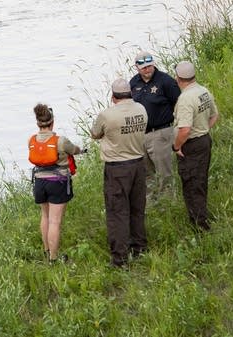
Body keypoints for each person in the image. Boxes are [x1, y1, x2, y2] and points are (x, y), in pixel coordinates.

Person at [90, 78, 148, 268]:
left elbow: (95, 133)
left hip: (117, 168)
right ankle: (139, 248)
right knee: (137, 208)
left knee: (117, 212)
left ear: (113, 96)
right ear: (130, 93)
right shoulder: (141, 109)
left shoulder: (107, 115)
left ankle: (120, 258)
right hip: (139, 164)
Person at [28, 103, 82, 263]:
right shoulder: (61, 141)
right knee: (55, 221)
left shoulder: (31, 140)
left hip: (39, 182)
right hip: (57, 183)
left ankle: (46, 251)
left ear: (38, 123)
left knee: (44, 216)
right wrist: (80, 150)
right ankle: (53, 259)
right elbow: (75, 150)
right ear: (52, 122)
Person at [172, 61, 219, 231]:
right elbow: (214, 116)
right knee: (200, 180)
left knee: (191, 183)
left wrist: (176, 147)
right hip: (204, 140)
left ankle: (199, 225)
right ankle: (201, 216)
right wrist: (203, 129)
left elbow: (184, 130)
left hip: (190, 144)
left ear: (178, 78)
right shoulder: (203, 91)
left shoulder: (185, 98)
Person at [130, 51, 181, 196]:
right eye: (144, 68)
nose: (147, 70)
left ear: (153, 64)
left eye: (150, 66)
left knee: (165, 172)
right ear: (137, 67)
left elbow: (178, 103)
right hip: (140, 135)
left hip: (161, 132)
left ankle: (169, 202)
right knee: (146, 173)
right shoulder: (133, 83)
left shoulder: (166, 81)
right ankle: (151, 204)